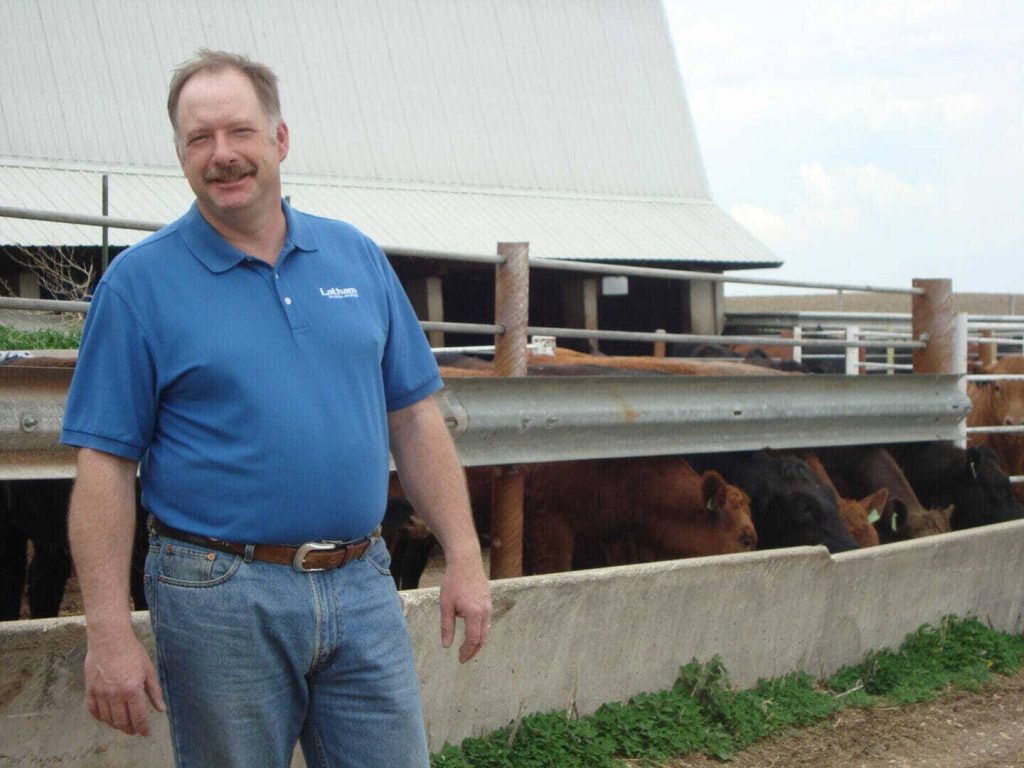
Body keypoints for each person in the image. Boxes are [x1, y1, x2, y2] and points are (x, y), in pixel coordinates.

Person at [62, 49, 492, 768]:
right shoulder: (140, 285)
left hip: (362, 581)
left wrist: (466, 557)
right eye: (199, 139)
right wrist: (107, 630)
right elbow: (104, 462)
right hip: (218, 593)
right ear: (180, 154)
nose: (222, 155)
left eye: (239, 132)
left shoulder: (355, 257)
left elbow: (415, 419)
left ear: (280, 139)